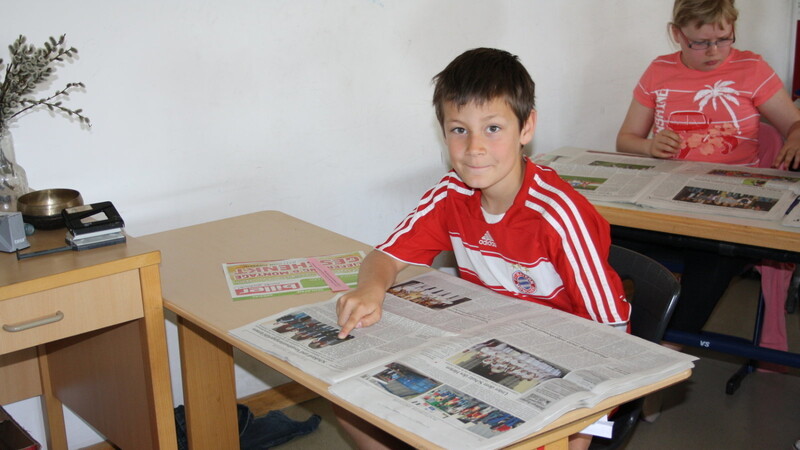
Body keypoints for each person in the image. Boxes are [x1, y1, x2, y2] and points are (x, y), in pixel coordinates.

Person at [334, 47, 630, 450]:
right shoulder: (450, 194)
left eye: (492, 128)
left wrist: (577, 439)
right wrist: (370, 289)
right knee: (351, 407)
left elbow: (612, 333)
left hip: (560, 366)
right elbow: (384, 257)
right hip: (483, 345)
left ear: (526, 129)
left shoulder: (558, 215)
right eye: (459, 130)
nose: (474, 147)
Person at [616, 0, 799, 362]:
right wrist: (650, 145)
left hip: (727, 209)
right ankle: (614, 335)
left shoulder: (752, 68)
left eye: (724, 39)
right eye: (699, 43)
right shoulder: (659, 71)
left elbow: (794, 123)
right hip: (665, 201)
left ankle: (661, 361)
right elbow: (626, 139)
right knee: (599, 235)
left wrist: (795, 134)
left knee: (713, 259)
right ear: (677, 35)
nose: (714, 52)